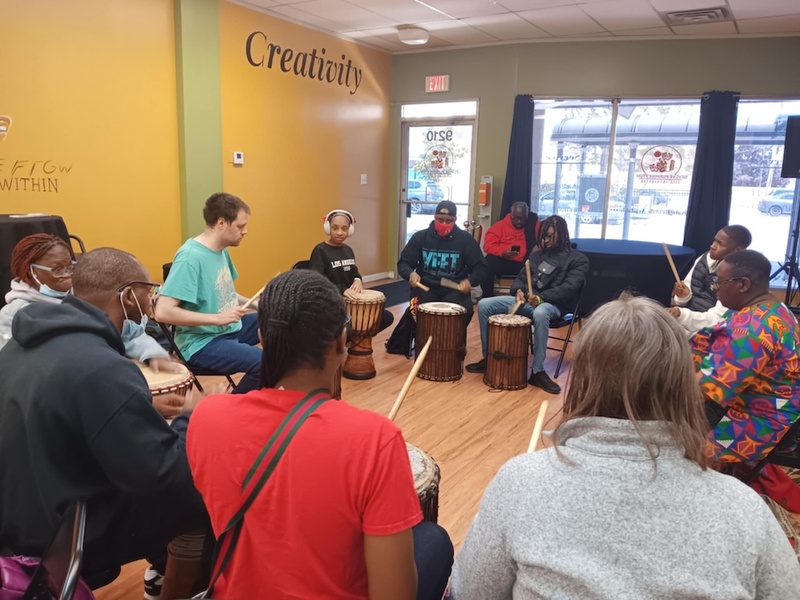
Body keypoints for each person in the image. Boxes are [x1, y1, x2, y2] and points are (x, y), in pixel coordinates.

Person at [451, 294, 800, 600]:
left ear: (583, 381)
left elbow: (470, 592)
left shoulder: (519, 481)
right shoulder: (744, 508)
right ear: (682, 383)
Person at [187, 270, 453, 599]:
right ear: (341, 343)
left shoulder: (207, 417)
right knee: (434, 540)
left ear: (264, 340)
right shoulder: (376, 439)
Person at [0, 248, 208, 599]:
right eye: (148, 291)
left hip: (22, 513)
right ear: (128, 296)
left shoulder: (24, 344)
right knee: (200, 497)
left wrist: (138, 407)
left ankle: (159, 567)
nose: (151, 299)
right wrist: (193, 415)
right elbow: (163, 475)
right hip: (64, 534)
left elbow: (60, 412)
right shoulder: (103, 366)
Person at [0, 234, 177, 376]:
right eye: (58, 269)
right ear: (29, 270)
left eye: (70, 267)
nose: (68, 275)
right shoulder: (14, 313)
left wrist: (152, 352)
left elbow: (121, 331)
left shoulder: (81, 298)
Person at [690, 249, 800, 466]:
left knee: (680, 455)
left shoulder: (751, 331)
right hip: (750, 406)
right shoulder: (774, 309)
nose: (714, 288)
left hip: (755, 423)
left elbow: (704, 393)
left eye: (719, 282)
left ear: (743, 284)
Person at [466, 215, 588, 394]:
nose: (545, 240)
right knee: (485, 304)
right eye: (544, 236)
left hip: (553, 305)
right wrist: (518, 291)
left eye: (550, 236)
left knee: (540, 313)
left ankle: (538, 371)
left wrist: (540, 298)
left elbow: (568, 289)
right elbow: (522, 278)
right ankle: (490, 358)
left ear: (562, 235)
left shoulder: (578, 260)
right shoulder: (537, 255)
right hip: (528, 301)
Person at [155, 192, 261, 394]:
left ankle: (270, 395)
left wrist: (256, 304)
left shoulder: (221, 250)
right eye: (240, 226)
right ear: (221, 223)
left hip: (228, 330)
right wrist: (217, 319)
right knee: (263, 363)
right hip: (201, 343)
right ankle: (229, 411)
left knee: (277, 321)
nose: (245, 231)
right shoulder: (190, 258)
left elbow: (226, 292)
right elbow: (163, 312)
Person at [397, 200, 487, 322]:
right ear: (434, 217)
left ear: (455, 220)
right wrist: (410, 273)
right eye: (440, 220)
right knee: (418, 310)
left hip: (455, 290)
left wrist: (470, 281)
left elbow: (480, 267)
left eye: (448, 221)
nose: (444, 224)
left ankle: (454, 341)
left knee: (464, 311)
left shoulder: (465, 240)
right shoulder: (420, 237)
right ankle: (421, 340)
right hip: (426, 287)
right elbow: (404, 263)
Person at [309, 208, 393, 332]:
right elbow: (318, 282)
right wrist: (342, 290)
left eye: (344, 228)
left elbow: (355, 272)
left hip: (349, 303)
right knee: (350, 328)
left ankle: (357, 343)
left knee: (386, 317)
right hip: (331, 305)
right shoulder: (320, 250)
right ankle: (348, 343)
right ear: (327, 228)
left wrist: (358, 280)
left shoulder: (348, 250)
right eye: (335, 228)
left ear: (350, 230)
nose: (339, 232)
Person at [671, 224, 752, 313]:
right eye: (715, 240)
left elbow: (718, 318)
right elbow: (684, 298)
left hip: (711, 324)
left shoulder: (738, 277)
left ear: (737, 250)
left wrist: (682, 315)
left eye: (721, 244)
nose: (712, 246)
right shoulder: (704, 258)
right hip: (690, 316)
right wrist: (683, 297)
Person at [479, 202, 536, 299]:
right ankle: (487, 298)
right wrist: (502, 252)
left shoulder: (533, 225)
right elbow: (488, 246)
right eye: (516, 218)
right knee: (487, 262)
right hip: (505, 261)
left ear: (527, 216)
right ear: (511, 215)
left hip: (526, 262)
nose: (519, 221)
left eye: (522, 218)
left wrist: (538, 247)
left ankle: (531, 297)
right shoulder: (499, 226)